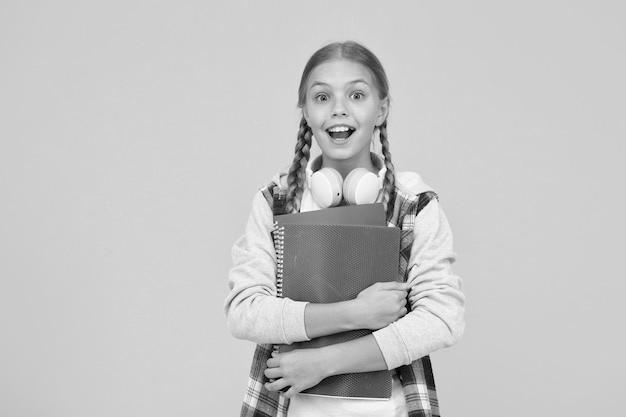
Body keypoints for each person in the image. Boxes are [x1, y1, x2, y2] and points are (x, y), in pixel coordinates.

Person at [224, 41, 465, 417]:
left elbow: (442, 318)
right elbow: (244, 311)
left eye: (356, 94)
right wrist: (354, 313)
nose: (339, 108)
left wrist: (324, 362)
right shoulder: (276, 201)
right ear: (305, 112)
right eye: (322, 96)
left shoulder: (412, 203)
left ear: (381, 109)